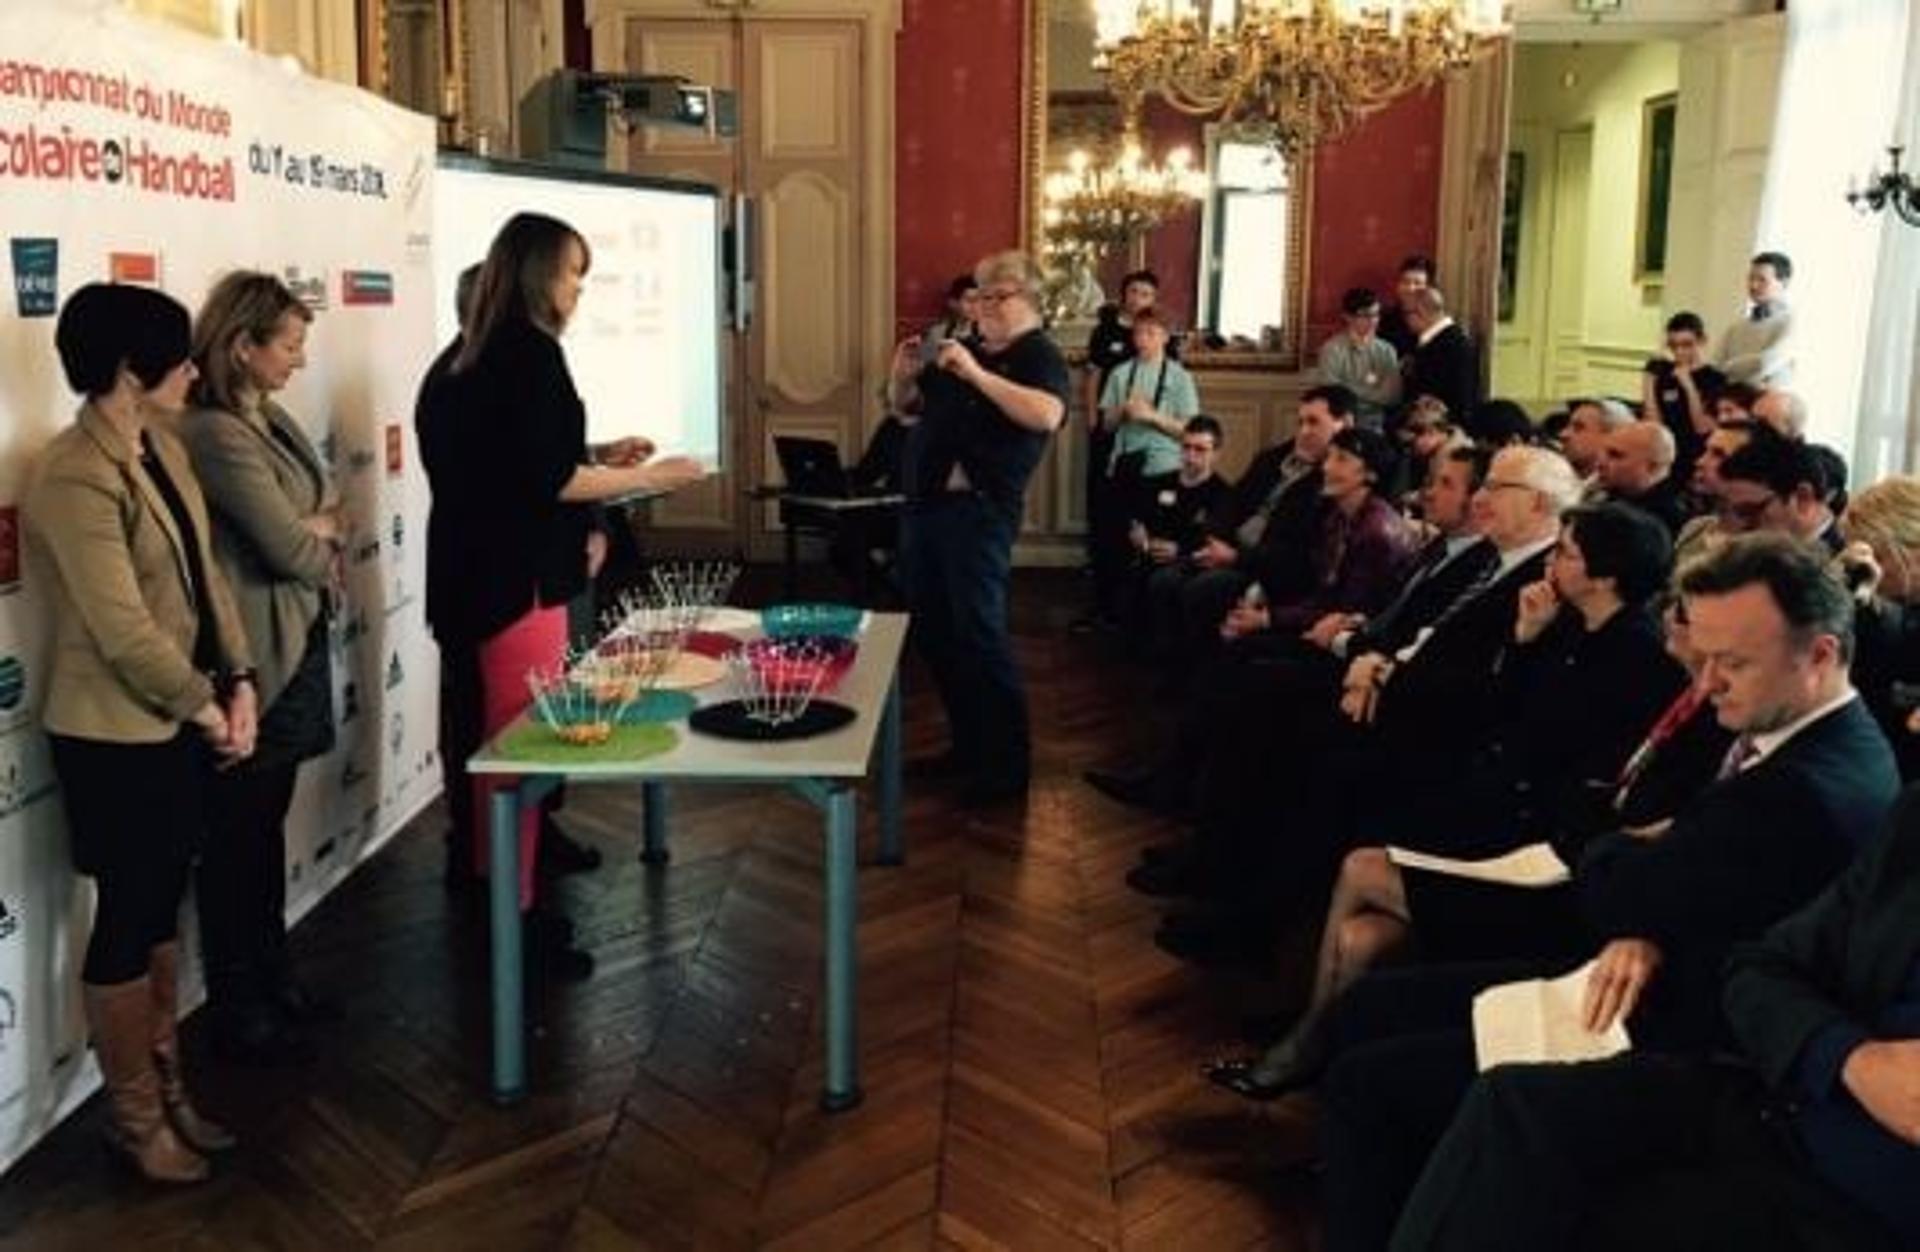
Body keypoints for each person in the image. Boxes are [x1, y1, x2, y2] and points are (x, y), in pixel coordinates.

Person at [1315, 533, 1899, 1252]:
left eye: (1733, 661)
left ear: (1821, 656)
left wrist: (1629, 866)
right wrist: (1640, 886)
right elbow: (1650, 865)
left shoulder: (1807, 786)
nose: (1707, 680)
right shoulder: (1792, 731)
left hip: (1675, 1024)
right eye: (1704, 655)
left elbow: (1623, 874)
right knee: (1371, 1015)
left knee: (1368, 1082)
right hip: (1645, 963)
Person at [1393, 788, 1920, 1251]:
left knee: (1572, 1217)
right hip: (1776, 1098)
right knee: (1511, 1106)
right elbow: (1759, 966)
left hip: (1855, 1209)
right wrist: (1849, 1058)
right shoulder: (1911, 820)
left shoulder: (1818, 780)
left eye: (1733, 665)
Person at [417, 213, 704, 978]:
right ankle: (514, 928)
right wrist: (654, 477)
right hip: (516, 585)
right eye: (576, 272)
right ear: (544, 271)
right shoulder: (527, 355)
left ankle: (502, 902)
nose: (580, 288)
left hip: (474, 577)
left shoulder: (463, 359)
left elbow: (510, 461)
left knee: (494, 751)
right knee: (518, 752)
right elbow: (546, 479)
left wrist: (595, 457)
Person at [25, 283, 259, 1183]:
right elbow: (123, 631)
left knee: (163, 906)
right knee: (128, 914)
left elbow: (206, 582)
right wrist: (206, 707)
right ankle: (133, 1116)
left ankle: (169, 1087)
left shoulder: (160, 444)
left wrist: (238, 681)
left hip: (185, 719)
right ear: (131, 369)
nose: (196, 370)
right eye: (180, 356)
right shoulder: (71, 472)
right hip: (115, 736)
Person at [178, 272, 342, 1065]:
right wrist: (313, 532)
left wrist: (313, 529)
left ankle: (272, 976)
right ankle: (237, 997)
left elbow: (326, 511)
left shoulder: (264, 417)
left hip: (296, 640)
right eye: (289, 346)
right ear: (242, 347)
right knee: (236, 835)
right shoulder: (213, 432)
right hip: (250, 660)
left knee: (264, 826)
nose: (299, 362)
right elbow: (292, 545)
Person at [889, 250, 1069, 807]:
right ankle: (966, 747)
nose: (985, 305)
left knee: (980, 635)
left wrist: (976, 373)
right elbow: (907, 410)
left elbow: (1046, 415)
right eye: (981, 295)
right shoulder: (963, 351)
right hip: (927, 510)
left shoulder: (1039, 355)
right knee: (936, 633)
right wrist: (900, 378)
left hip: (979, 516)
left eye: (999, 295)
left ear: (1031, 301)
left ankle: (1008, 767)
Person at [1080, 309, 1202, 631]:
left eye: (1150, 333)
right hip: (1123, 464)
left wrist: (1152, 417)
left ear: (1164, 336)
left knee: (1151, 542)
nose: (1143, 340)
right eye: (1138, 333)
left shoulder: (1179, 377)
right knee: (1112, 541)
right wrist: (1122, 410)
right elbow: (1105, 425)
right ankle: (1109, 612)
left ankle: (1148, 617)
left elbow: (1190, 432)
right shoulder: (1121, 373)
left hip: (1163, 466)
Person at [1081, 270, 1161, 579]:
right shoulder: (1105, 330)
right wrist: (1092, 419)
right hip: (1108, 421)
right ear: (1124, 294)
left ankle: (1134, 554)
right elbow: (1093, 376)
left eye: (1146, 294)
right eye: (1134, 291)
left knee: (1137, 491)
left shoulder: (1157, 332)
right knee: (1101, 490)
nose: (1138, 298)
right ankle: (1098, 555)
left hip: (1144, 429)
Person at [1641, 310, 1725, 484]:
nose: (1679, 352)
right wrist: (1648, 383)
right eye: (1673, 345)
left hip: (1695, 459)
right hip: (1665, 457)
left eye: (1687, 345)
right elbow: (1654, 425)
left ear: (1702, 341)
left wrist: (1688, 386)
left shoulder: (1715, 378)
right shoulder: (1664, 374)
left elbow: (1702, 428)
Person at [1317, 287, 1401, 429]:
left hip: (1376, 423)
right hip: (1341, 423)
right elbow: (1331, 394)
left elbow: (1391, 397)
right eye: (1366, 315)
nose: (1373, 321)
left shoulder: (1387, 350)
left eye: (1376, 315)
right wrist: (1373, 393)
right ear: (1348, 317)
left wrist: (1348, 387)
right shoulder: (1331, 349)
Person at [1399, 287, 1479, 432]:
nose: (1404, 320)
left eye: (1406, 313)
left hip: (1444, 430)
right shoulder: (1430, 340)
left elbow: (1461, 400)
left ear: (1421, 313)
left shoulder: (1456, 344)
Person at [1595, 421, 1691, 536]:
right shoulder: (1610, 495)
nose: (1600, 463)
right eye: (1604, 452)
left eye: (1615, 455)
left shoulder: (1664, 522)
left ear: (1653, 467)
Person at [1716, 250, 1797, 387]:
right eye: (1751, 278)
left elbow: (1765, 363)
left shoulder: (1791, 321)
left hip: (1769, 404)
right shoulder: (1736, 327)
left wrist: (1728, 368)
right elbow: (1715, 368)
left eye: (1762, 280)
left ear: (1784, 283)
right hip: (1732, 403)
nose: (1753, 285)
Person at [1559, 398, 1635, 482]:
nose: (1563, 434)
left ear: (1612, 437)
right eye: (1568, 426)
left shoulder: (1619, 492)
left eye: (1578, 428)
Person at [1377, 254, 1435, 359]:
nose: (1410, 288)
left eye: (1417, 283)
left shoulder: (1436, 322)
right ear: (1398, 285)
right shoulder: (1383, 320)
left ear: (1429, 288)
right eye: (1405, 282)